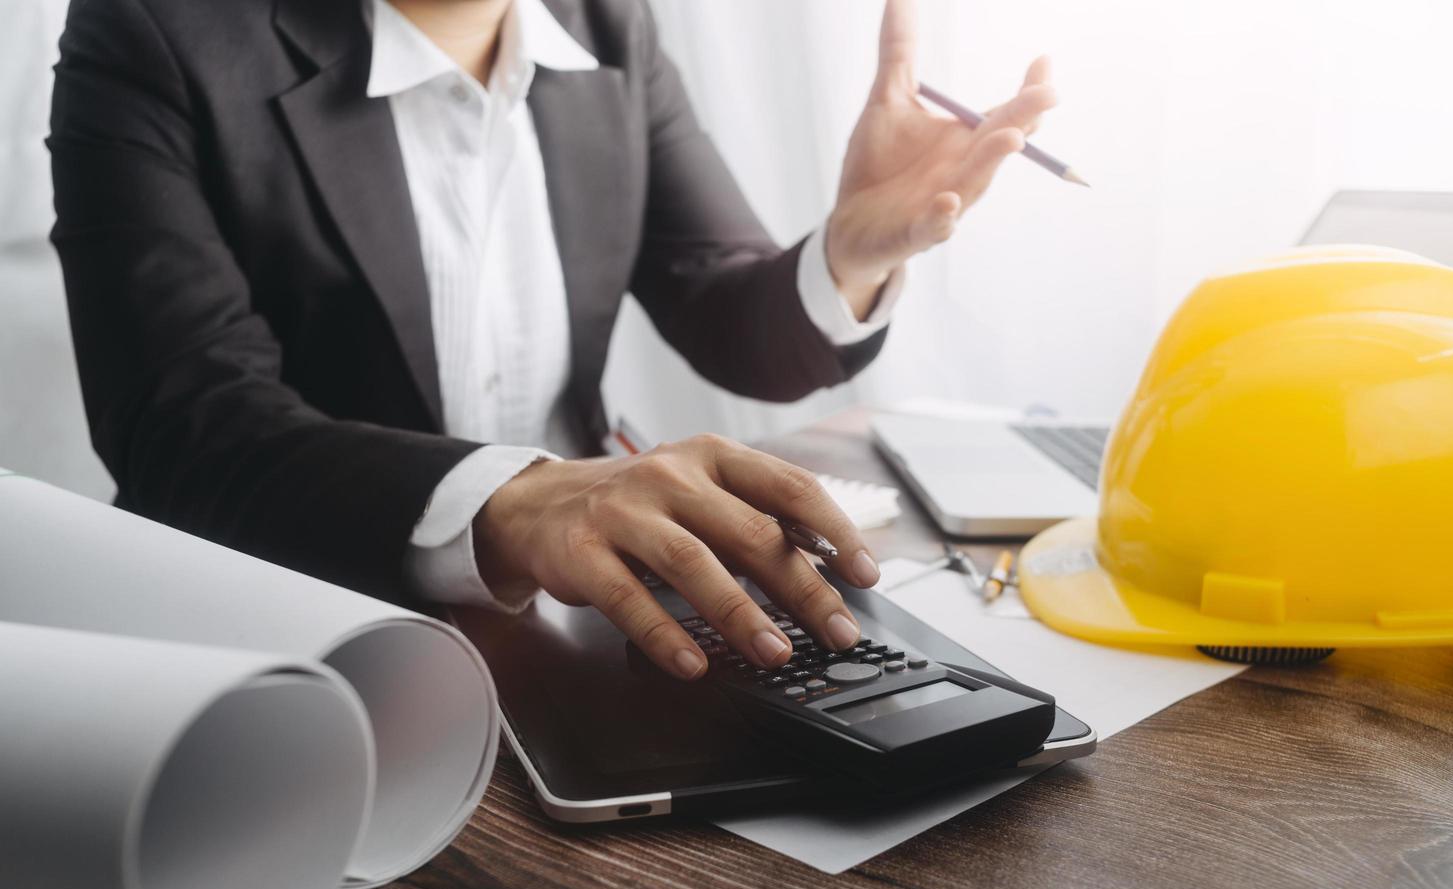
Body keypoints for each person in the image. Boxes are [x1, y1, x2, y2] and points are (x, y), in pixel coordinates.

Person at [49, 0, 1056, 680]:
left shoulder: (603, 20)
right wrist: (515, 500)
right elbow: (185, 427)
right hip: (293, 634)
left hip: (570, 618)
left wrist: (849, 252)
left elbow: (724, 311)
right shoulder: (151, 31)